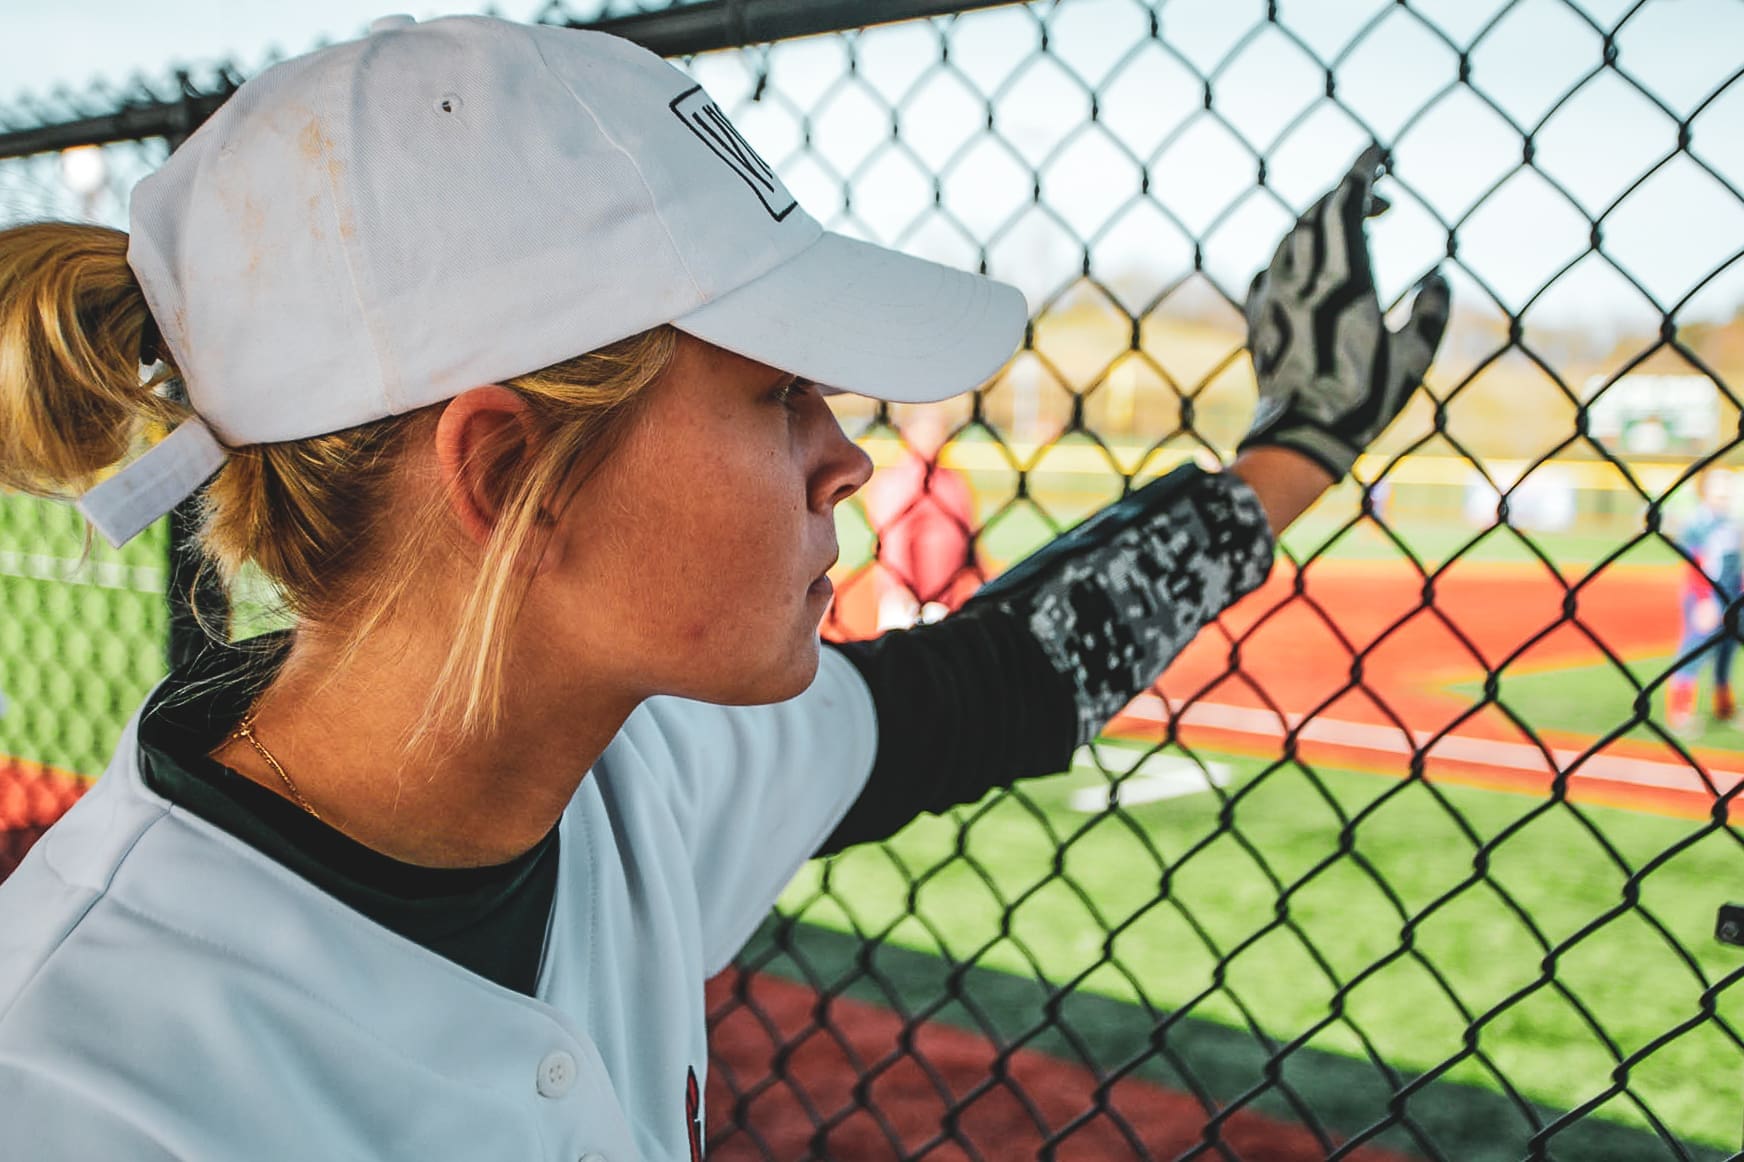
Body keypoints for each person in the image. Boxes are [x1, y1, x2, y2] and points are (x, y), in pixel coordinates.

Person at [0, 15, 1447, 1160]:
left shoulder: (624, 772)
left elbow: (987, 688)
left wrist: (1294, 451)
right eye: (778, 392)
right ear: (508, 473)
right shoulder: (81, 1083)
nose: (847, 459)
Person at [864, 406, 982, 630]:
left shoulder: (954, 483)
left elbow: (970, 540)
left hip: (945, 598)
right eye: (928, 431)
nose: (936, 438)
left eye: (940, 430)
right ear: (909, 433)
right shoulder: (896, 482)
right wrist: (901, 591)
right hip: (904, 599)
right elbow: (894, 544)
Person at [1668, 467, 1742, 731]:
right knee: (1696, 648)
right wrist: (1703, 600)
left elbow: (1736, 564)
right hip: (1708, 596)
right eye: (1718, 486)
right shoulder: (1698, 523)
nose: (1724, 492)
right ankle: (1680, 709)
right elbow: (1695, 565)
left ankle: (1723, 705)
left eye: (1727, 486)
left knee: (1728, 650)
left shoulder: (1731, 522)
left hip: (1733, 596)